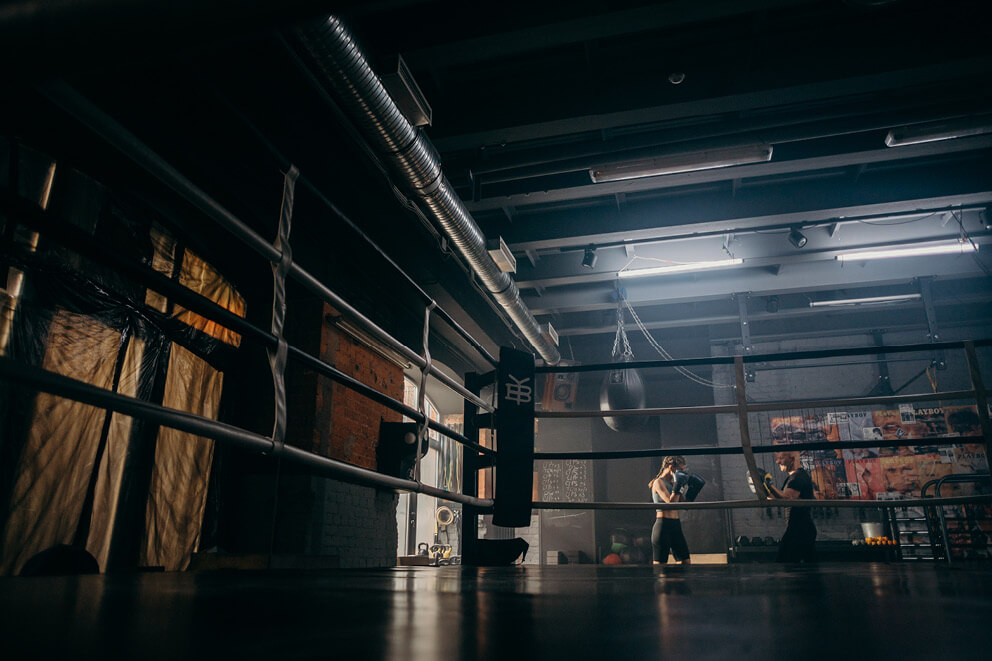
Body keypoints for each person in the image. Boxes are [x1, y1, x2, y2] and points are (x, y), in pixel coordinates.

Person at [765, 451, 816, 563]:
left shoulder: (797, 478)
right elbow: (778, 497)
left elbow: (787, 499)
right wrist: (763, 489)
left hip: (800, 530)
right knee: (800, 572)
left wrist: (769, 484)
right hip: (798, 529)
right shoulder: (793, 478)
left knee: (786, 567)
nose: (778, 461)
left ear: (792, 458)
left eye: (781, 458)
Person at [649, 456, 691, 565]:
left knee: (685, 563)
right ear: (671, 467)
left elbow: (685, 505)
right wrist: (677, 486)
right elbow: (670, 503)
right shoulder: (658, 482)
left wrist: (692, 491)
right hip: (663, 526)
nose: (682, 473)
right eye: (680, 470)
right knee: (661, 567)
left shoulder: (673, 484)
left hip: (676, 526)